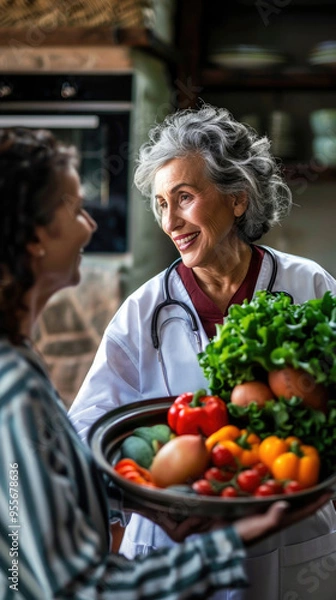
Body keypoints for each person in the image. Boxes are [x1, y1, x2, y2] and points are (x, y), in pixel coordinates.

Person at [1, 127, 328, 600]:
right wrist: (145, 502)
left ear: (237, 199)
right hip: (172, 551)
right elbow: (87, 436)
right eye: (160, 204)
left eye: (184, 197)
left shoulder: (309, 284)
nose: (170, 220)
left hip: (295, 546)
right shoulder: (141, 310)